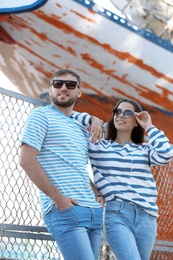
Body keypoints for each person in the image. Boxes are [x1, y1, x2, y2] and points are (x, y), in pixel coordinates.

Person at [19, 69, 104, 260]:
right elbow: (26, 160)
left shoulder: (80, 124)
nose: (63, 88)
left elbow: (77, 168)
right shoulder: (40, 116)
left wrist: (96, 194)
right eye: (58, 84)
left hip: (93, 212)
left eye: (70, 85)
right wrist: (57, 198)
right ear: (50, 90)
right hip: (66, 210)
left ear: (79, 92)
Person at [73, 98, 173, 260]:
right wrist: (94, 120)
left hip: (147, 216)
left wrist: (148, 126)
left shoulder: (144, 150)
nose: (121, 115)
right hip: (117, 214)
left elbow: (166, 153)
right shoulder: (98, 143)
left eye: (127, 113)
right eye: (117, 112)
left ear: (136, 121)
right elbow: (68, 116)